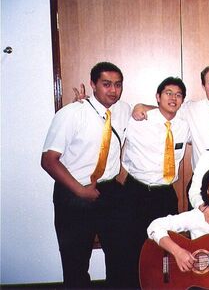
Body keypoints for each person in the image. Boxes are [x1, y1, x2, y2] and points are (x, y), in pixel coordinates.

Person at [41, 62, 132, 288]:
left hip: (109, 191)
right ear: (93, 84)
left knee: (120, 257)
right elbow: (48, 161)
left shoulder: (123, 110)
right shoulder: (72, 113)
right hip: (73, 192)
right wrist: (80, 191)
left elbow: (153, 111)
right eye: (106, 84)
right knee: (75, 262)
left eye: (118, 85)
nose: (113, 90)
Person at [121, 77, 190, 286]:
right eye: (168, 93)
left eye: (178, 95)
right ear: (157, 97)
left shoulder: (183, 126)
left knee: (164, 249)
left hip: (165, 194)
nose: (173, 98)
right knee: (132, 246)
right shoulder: (137, 120)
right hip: (136, 191)